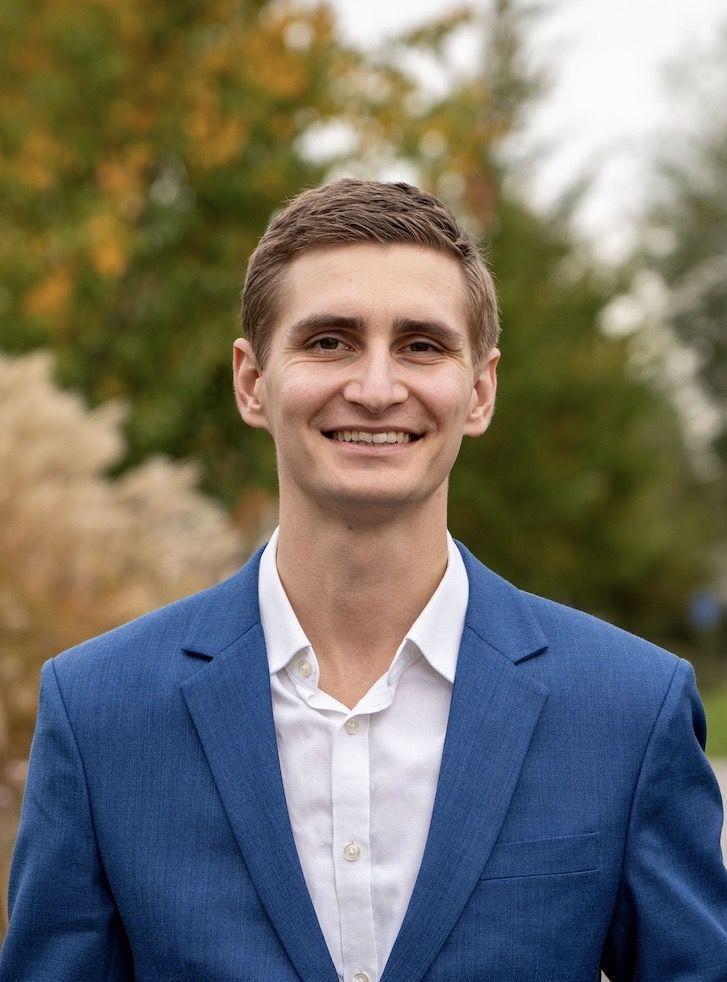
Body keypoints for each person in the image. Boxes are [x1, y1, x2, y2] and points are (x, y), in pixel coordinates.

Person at [1, 179, 726, 981]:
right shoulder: (99, 713)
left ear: (480, 390)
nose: (376, 389)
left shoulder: (627, 711)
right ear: (251, 380)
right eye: (328, 342)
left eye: (421, 345)